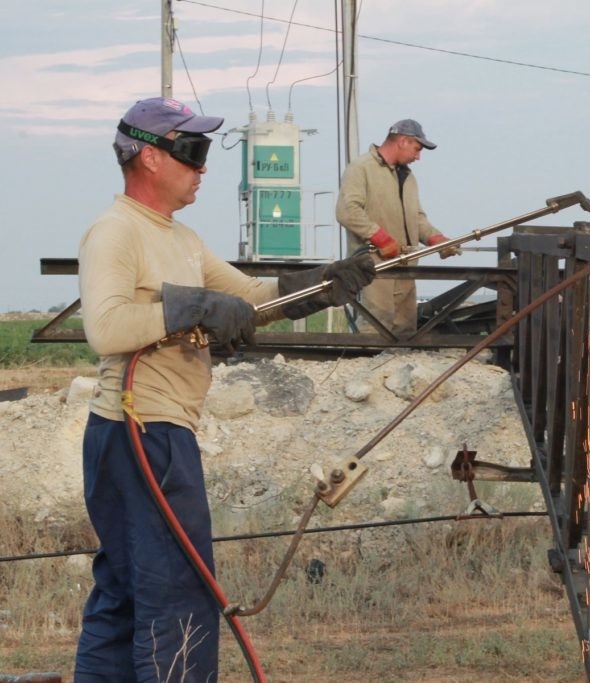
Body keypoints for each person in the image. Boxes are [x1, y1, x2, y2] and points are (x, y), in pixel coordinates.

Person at [74, 96, 375, 682]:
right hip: (139, 433)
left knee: (127, 591)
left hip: (155, 434)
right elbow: (105, 328)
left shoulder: (180, 238)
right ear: (150, 158)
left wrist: (320, 285)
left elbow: (249, 300)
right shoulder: (115, 232)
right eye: (193, 150)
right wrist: (189, 306)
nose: (203, 165)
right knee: (176, 588)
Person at [336, 118, 459, 337]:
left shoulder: (407, 176)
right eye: (417, 148)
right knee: (376, 327)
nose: (418, 156)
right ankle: (368, 369)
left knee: (405, 330)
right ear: (402, 141)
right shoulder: (361, 168)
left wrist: (437, 240)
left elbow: (416, 217)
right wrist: (381, 239)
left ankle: (397, 370)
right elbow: (347, 211)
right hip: (374, 266)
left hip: (405, 265)